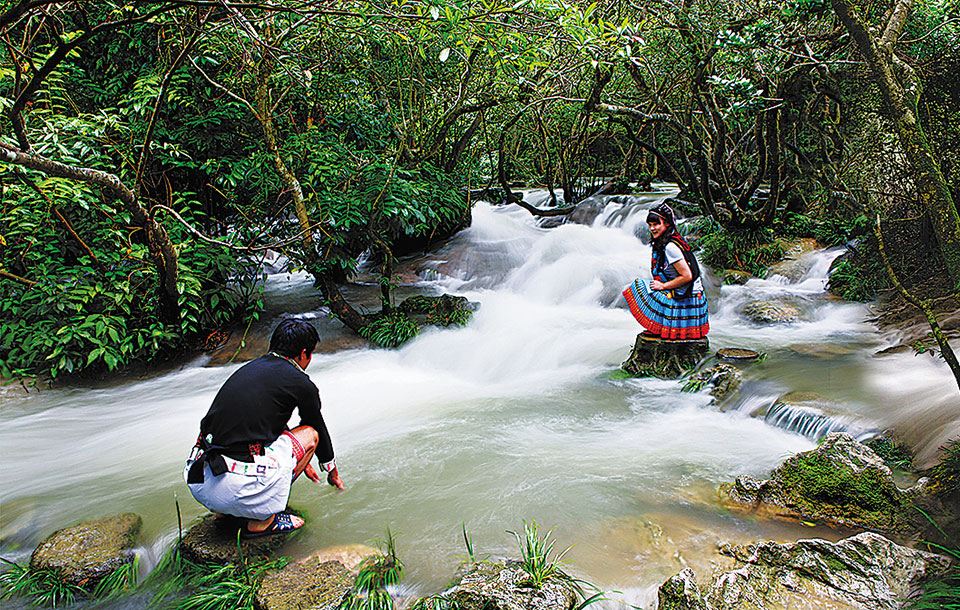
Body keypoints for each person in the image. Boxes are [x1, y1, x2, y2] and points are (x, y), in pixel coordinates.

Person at [184, 318, 344, 538]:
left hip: (201, 482)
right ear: (303, 353)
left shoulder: (250, 370)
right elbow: (316, 426)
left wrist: (296, 456)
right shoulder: (300, 383)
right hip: (235, 488)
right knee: (310, 435)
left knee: (249, 447)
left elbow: (264, 421)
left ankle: (227, 512)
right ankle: (263, 520)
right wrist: (331, 469)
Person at [622, 202, 709, 340]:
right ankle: (661, 326)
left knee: (638, 287)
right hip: (693, 294)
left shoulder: (671, 247)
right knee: (647, 286)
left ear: (667, 224)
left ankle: (660, 327)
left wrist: (663, 286)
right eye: (650, 225)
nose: (652, 228)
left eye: (656, 224)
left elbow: (687, 276)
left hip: (688, 296)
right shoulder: (672, 240)